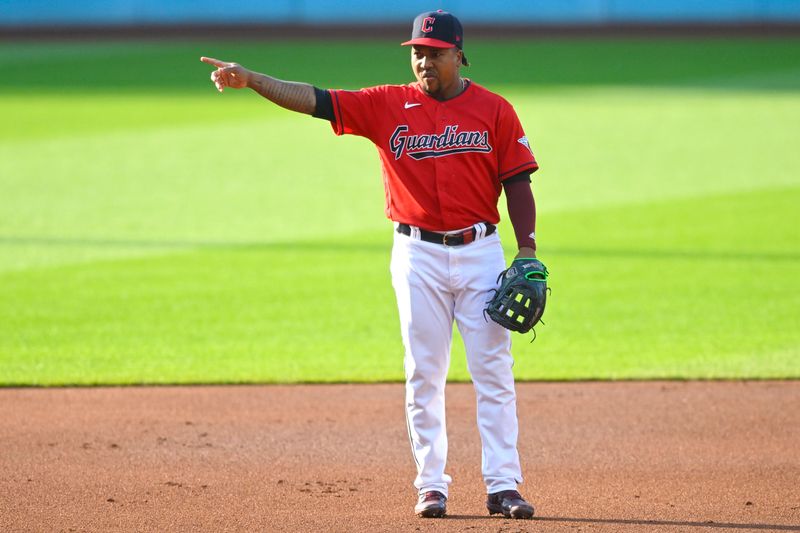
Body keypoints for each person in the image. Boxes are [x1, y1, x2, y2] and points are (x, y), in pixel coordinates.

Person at [201, 9, 539, 520]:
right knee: (424, 373)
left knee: (493, 371)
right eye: (418, 53)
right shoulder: (386, 104)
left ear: (459, 54)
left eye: (435, 53)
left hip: (481, 253)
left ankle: (503, 485)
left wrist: (528, 251)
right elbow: (316, 99)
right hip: (417, 254)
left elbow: (518, 182)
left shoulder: (495, 110)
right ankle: (431, 485)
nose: (425, 61)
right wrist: (253, 80)